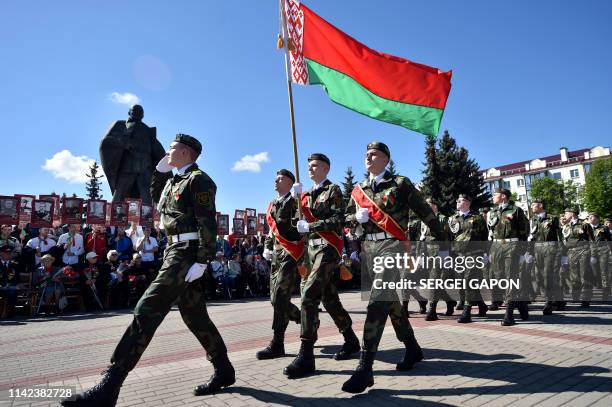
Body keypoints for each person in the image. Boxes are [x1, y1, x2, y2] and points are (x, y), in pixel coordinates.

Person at [63, 134, 234, 406]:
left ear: (187, 153)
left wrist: (203, 259)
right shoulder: (174, 181)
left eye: (173, 148)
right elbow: (157, 201)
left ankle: (111, 384)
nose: (168, 151)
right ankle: (224, 369)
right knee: (195, 315)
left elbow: (207, 221)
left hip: (186, 253)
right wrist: (157, 173)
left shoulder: (198, 179)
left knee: (147, 308)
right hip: (172, 251)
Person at [342, 141, 445, 393]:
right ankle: (412, 349)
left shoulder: (400, 183)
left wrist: (444, 242)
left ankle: (365, 368)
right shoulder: (359, 190)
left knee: (377, 301)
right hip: (370, 250)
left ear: (386, 159)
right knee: (391, 303)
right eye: (366, 154)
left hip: (394, 247)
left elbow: (424, 212)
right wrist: (354, 218)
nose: (368, 157)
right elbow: (344, 218)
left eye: (374, 154)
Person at [283, 153, 359, 379]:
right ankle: (351, 339)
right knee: (329, 298)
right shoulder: (304, 196)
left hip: (328, 248)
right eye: (308, 166)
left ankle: (306, 355)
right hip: (311, 250)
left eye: (315, 165)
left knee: (308, 296)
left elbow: (339, 219)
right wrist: (292, 198)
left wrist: (312, 224)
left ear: (326, 168)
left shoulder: (333, 190)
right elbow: (293, 224)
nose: (310, 169)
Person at [256, 169, 303, 360]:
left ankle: (279, 342)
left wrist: (299, 196)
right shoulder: (272, 204)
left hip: (291, 254)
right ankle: (302, 321)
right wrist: (267, 246)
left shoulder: (295, 201)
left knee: (279, 299)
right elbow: (271, 232)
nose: (276, 180)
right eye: (275, 178)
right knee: (275, 299)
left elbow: (300, 224)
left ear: (290, 182)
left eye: (281, 178)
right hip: (276, 255)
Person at [487, 188, 529, 326]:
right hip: (497, 247)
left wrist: (523, 252)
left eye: (495, 194)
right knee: (499, 278)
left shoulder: (516, 210)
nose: (493, 197)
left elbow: (524, 231)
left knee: (511, 277)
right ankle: (521, 302)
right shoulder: (492, 212)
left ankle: (509, 314)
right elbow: (491, 232)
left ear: (503, 196)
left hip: (512, 246)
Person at [448, 194, 489, 323]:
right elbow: (450, 238)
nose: (457, 202)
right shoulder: (452, 219)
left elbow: (484, 236)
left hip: (474, 254)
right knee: (460, 282)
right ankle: (482, 305)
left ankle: (467, 311)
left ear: (467, 203)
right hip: (458, 255)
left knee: (469, 282)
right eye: (457, 200)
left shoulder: (477, 218)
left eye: (459, 201)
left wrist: (485, 254)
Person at [420, 197, 455, 321]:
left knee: (434, 281)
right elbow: (422, 237)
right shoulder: (424, 219)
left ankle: (432, 310)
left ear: (435, 206)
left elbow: (448, 238)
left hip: (440, 253)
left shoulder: (442, 219)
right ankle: (450, 302)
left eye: (428, 204)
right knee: (435, 282)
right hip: (428, 253)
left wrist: (445, 255)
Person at [527, 199, 563, 315]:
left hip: (551, 249)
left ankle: (548, 301)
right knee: (538, 276)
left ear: (541, 205)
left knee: (548, 275)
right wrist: (529, 252)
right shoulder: (533, 220)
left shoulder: (552, 218)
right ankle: (557, 298)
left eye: (534, 205)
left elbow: (559, 236)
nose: (532, 207)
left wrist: (563, 253)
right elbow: (531, 236)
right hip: (537, 249)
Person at [562, 208, 595, 308]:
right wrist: (564, 255)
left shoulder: (584, 224)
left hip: (583, 250)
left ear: (572, 214)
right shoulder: (566, 226)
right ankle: (575, 296)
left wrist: (593, 255)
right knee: (574, 275)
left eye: (566, 213)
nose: (564, 215)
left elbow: (591, 239)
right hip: (571, 252)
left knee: (584, 274)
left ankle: (586, 299)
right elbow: (565, 241)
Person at [588, 213, 611, 300]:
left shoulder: (604, 228)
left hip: (603, 252)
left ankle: (605, 292)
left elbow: (609, 240)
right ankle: (598, 285)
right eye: (589, 217)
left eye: (592, 216)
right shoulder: (587, 228)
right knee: (594, 271)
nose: (590, 218)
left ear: (597, 218)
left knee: (604, 271)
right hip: (591, 252)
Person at [0, 245, 19, 318]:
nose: (9, 255)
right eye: (6, 253)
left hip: (10, 286)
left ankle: (9, 312)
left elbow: (16, 277)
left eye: (10, 253)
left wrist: (13, 284)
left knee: (13, 293)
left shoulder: (15, 264)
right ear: (1, 253)